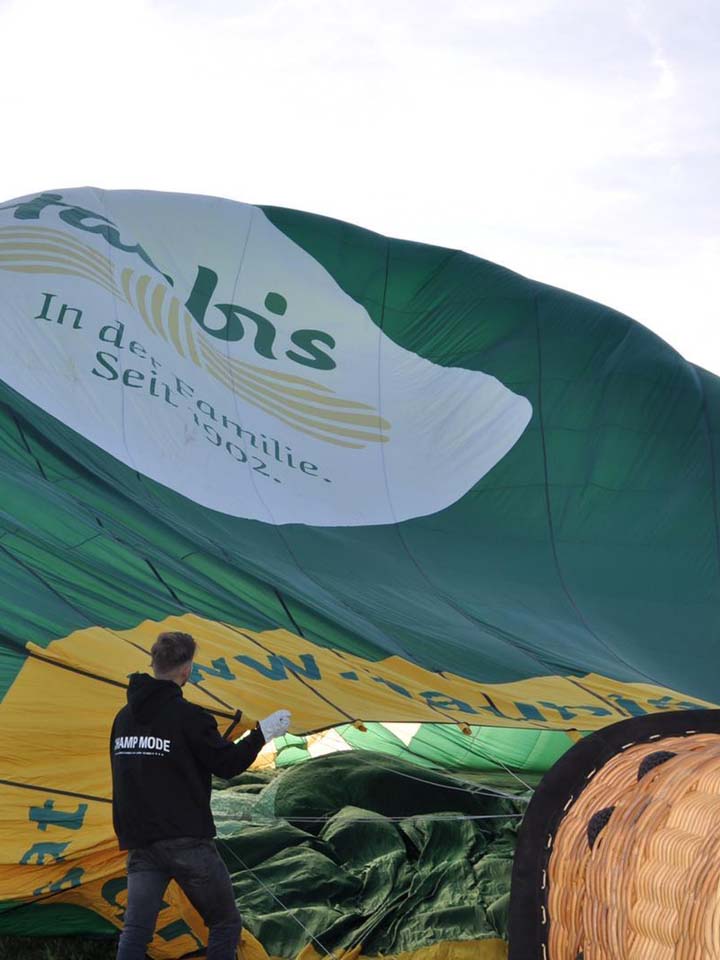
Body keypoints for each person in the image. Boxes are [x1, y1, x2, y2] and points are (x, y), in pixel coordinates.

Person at [110, 630, 291, 960]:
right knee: (224, 923)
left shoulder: (123, 719)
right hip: (186, 842)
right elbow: (226, 764)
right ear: (187, 669)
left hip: (140, 841)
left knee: (135, 931)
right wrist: (261, 734)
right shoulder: (189, 717)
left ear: (154, 664)